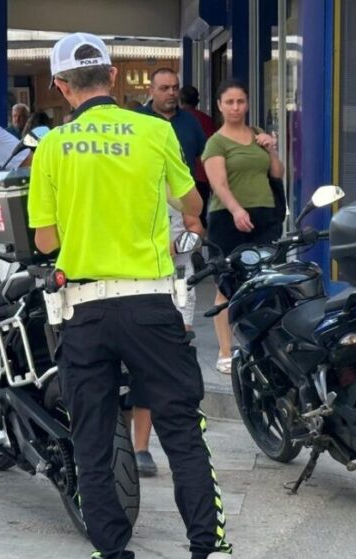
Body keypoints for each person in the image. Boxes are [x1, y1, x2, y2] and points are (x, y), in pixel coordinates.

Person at [29, 32, 254, 559]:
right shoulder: (155, 132)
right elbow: (193, 204)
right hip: (151, 304)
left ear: (60, 86)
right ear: (112, 77)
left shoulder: (52, 147)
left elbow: (45, 239)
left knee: (94, 442)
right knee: (183, 432)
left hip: (84, 310)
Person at [132, 67, 209, 478]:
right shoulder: (137, 136)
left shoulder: (188, 132)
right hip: (128, 275)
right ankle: (128, 444)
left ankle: (149, 446)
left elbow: (195, 218)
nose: (171, 94)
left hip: (174, 273)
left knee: (172, 353)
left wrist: (187, 241)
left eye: (175, 88)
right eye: (163, 88)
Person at [203, 79, 284, 375]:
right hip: (227, 218)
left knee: (266, 281)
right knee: (226, 285)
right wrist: (236, 209)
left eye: (240, 101)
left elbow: (276, 174)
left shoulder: (258, 134)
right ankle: (226, 351)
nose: (236, 107)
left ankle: (263, 346)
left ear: (247, 104)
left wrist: (272, 149)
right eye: (230, 102)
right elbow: (218, 183)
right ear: (220, 106)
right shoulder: (216, 142)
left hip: (264, 216)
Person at [179, 85, 216, 216]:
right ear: (197, 101)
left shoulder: (178, 120)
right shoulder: (207, 120)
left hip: (181, 178)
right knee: (200, 218)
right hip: (202, 177)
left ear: (180, 100)